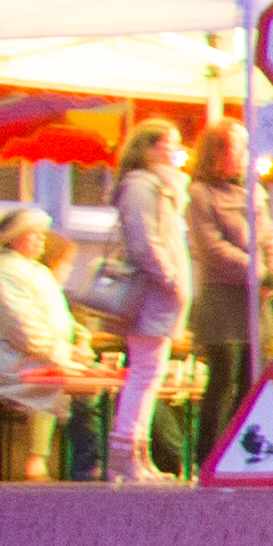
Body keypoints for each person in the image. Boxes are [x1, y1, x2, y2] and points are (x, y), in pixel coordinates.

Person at [0, 210, 97, 477]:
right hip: (7, 364)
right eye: (31, 234)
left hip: (38, 357)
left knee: (94, 386)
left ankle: (88, 464)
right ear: (13, 238)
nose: (39, 240)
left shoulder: (38, 272)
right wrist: (64, 355)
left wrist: (81, 340)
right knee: (87, 392)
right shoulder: (3, 275)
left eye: (41, 234)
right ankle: (85, 467)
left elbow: (63, 319)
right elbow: (25, 333)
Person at [95, 125, 193, 482]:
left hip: (157, 293)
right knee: (144, 373)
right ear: (150, 147)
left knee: (150, 373)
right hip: (150, 293)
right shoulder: (141, 186)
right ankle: (125, 454)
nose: (176, 151)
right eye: (170, 144)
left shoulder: (159, 186)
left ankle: (138, 453)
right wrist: (169, 276)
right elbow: (143, 238)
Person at [183, 122, 269, 472]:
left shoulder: (254, 192)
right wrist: (254, 269)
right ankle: (208, 456)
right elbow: (210, 246)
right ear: (219, 153)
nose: (244, 156)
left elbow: (269, 236)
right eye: (237, 148)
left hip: (254, 298)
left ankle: (239, 452)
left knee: (251, 377)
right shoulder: (201, 194)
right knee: (223, 376)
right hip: (221, 296)